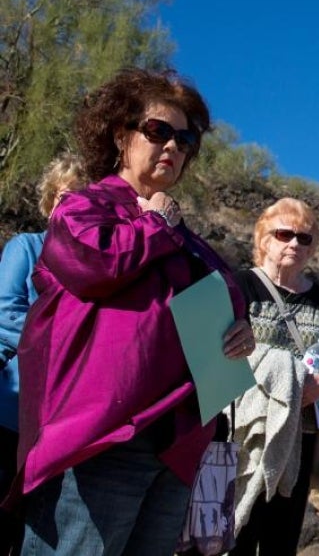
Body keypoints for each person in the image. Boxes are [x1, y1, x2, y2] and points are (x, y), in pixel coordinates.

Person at [13, 68, 256, 555]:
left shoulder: (189, 239)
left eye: (184, 139)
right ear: (122, 136)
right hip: (103, 435)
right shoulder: (85, 207)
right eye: (158, 131)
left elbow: (228, 297)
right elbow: (94, 263)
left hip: (176, 443)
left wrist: (240, 332)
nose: (173, 146)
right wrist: (157, 226)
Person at [229, 197, 319, 556]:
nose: (294, 243)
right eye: (284, 234)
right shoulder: (241, 285)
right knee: (240, 526)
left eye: (304, 238)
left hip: (301, 429)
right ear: (264, 239)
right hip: (249, 429)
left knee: (284, 531)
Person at [0, 154, 87, 555]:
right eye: (66, 197)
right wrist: (68, 347)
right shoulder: (26, 247)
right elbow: (5, 314)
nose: (73, 208)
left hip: (62, 422)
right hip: (13, 410)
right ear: (50, 202)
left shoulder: (93, 269)